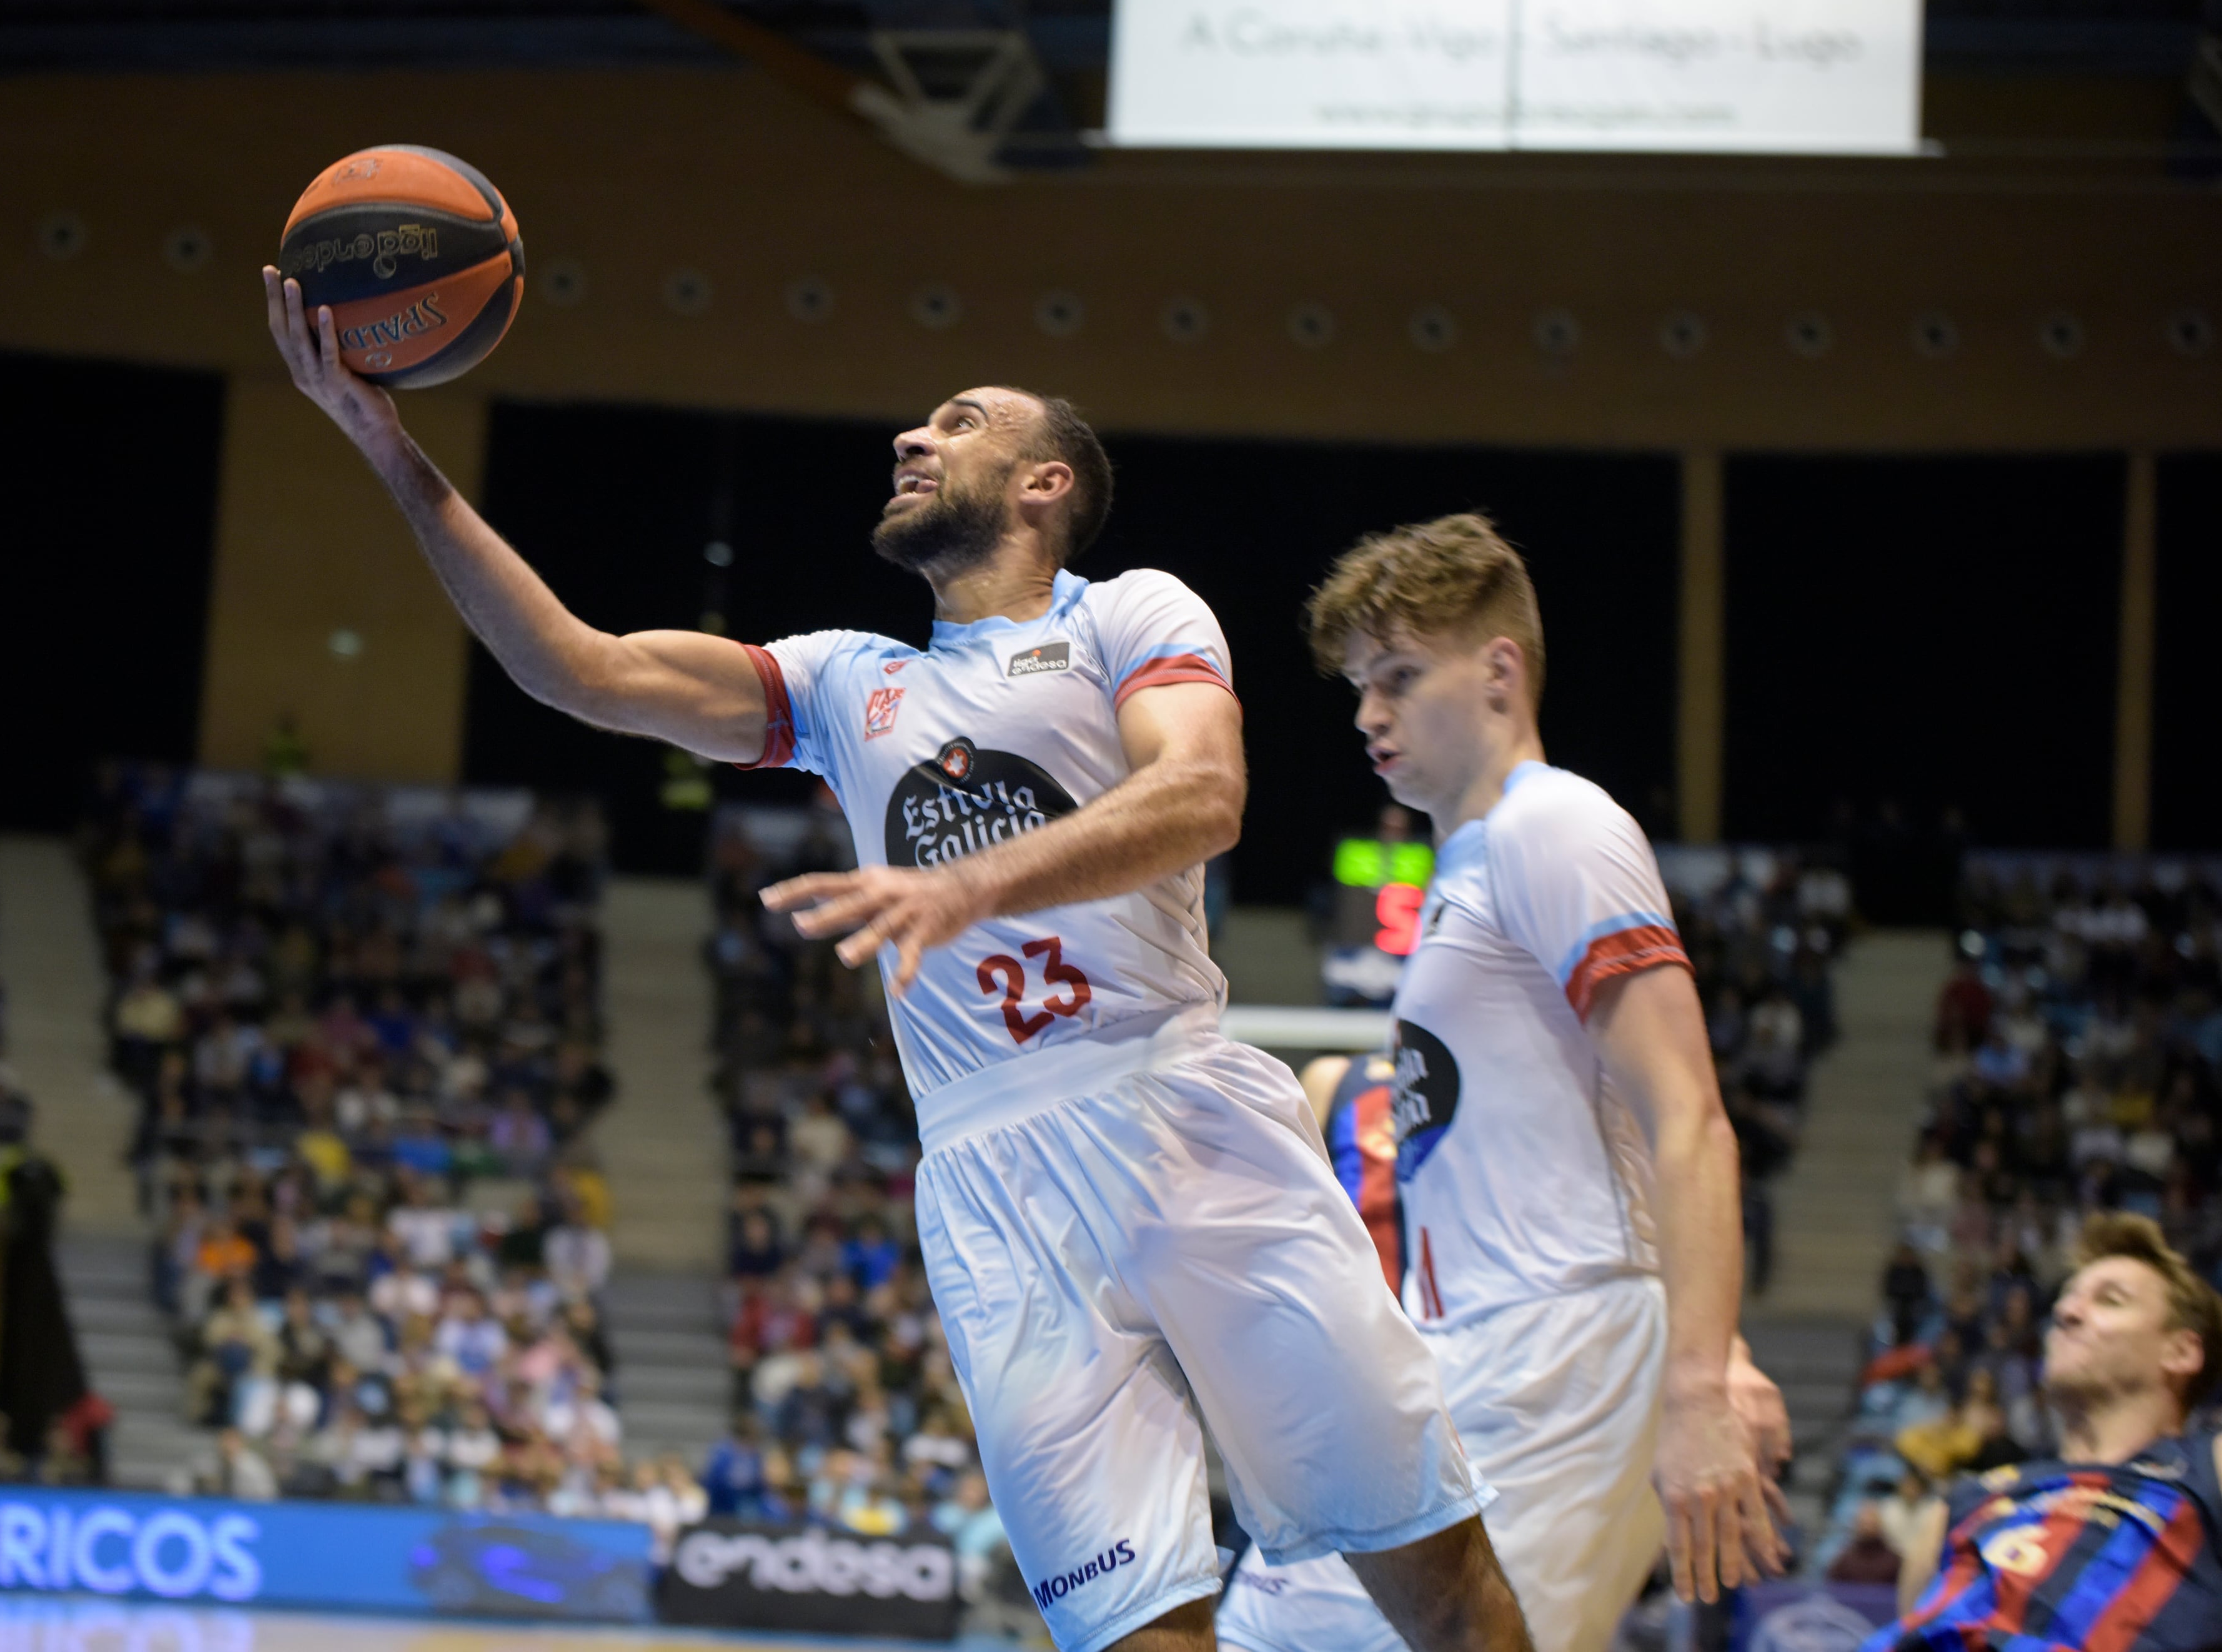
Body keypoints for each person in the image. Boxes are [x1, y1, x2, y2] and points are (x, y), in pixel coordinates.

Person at [262, 272, 1529, 1652]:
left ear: (1045, 484)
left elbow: (1202, 798)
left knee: (1435, 1585)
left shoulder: (1127, 615)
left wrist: (964, 882)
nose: (911, 438)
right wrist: (384, 442)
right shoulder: (837, 681)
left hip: (1175, 1114)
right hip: (987, 1184)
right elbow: (574, 666)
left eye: (959, 420)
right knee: (1134, 1636)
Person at [1218, 517, 1788, 1652]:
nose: (1367, 713)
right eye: (1358, 687)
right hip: (1457, 1356)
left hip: (1562, 1355)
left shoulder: (1556, 824)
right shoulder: (1468, 863)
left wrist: (1702, 1384)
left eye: (1398, 677)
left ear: (1498, 670)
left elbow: (1688, 1118)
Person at [1875, 1212, 2222, 1647]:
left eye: (2110, 1300)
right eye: (2067, 1298)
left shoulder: (2206, 1472)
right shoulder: (1961, 1505)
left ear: (2182, 1351)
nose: (2065, 1312)